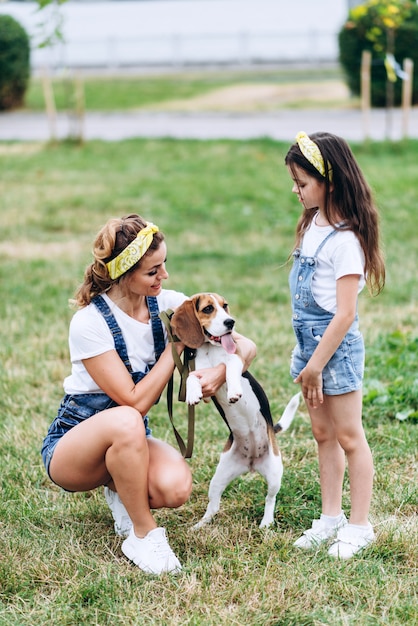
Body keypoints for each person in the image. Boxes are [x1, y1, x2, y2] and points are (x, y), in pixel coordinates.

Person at [41, 214, 256, 575]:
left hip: (131, 439)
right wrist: (173, 348)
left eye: (164, 266)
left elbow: (247, 345)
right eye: (153, 271)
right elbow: (135, 401)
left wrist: (222, 372)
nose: (165, 277)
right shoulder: (89, 322)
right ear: (125, 275)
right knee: (128, 418)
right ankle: (143, 534)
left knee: (175, 489)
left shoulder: (170, 305)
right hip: (73, 449)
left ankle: (120, 488)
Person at [284, 132, 385, 559]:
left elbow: (343, 315)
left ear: (329, 181)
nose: (296, 190)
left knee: (349, 436)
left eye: (302, 182)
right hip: (310, 348)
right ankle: (331, 518)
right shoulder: (312, 224)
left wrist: (315, 366)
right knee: (322, 433)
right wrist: (307, 362)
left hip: (334, 351)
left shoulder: (346, 241)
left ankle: (360, 525)